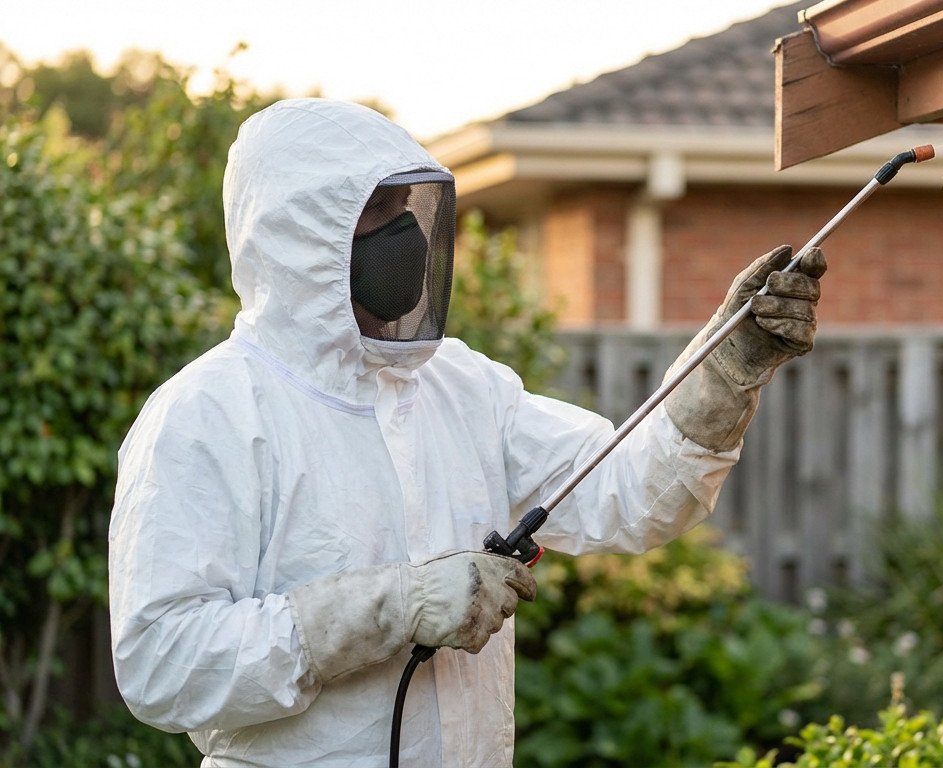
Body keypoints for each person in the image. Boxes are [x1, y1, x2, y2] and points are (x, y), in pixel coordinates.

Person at [107, 98, 826, 767]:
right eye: (375, 213)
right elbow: (163, 662)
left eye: (407, 209)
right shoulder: (209, 414)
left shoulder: (461, 385)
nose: (407, 236)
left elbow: (628, 493)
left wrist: (726, 369)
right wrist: (392, 607)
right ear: (300, 233)